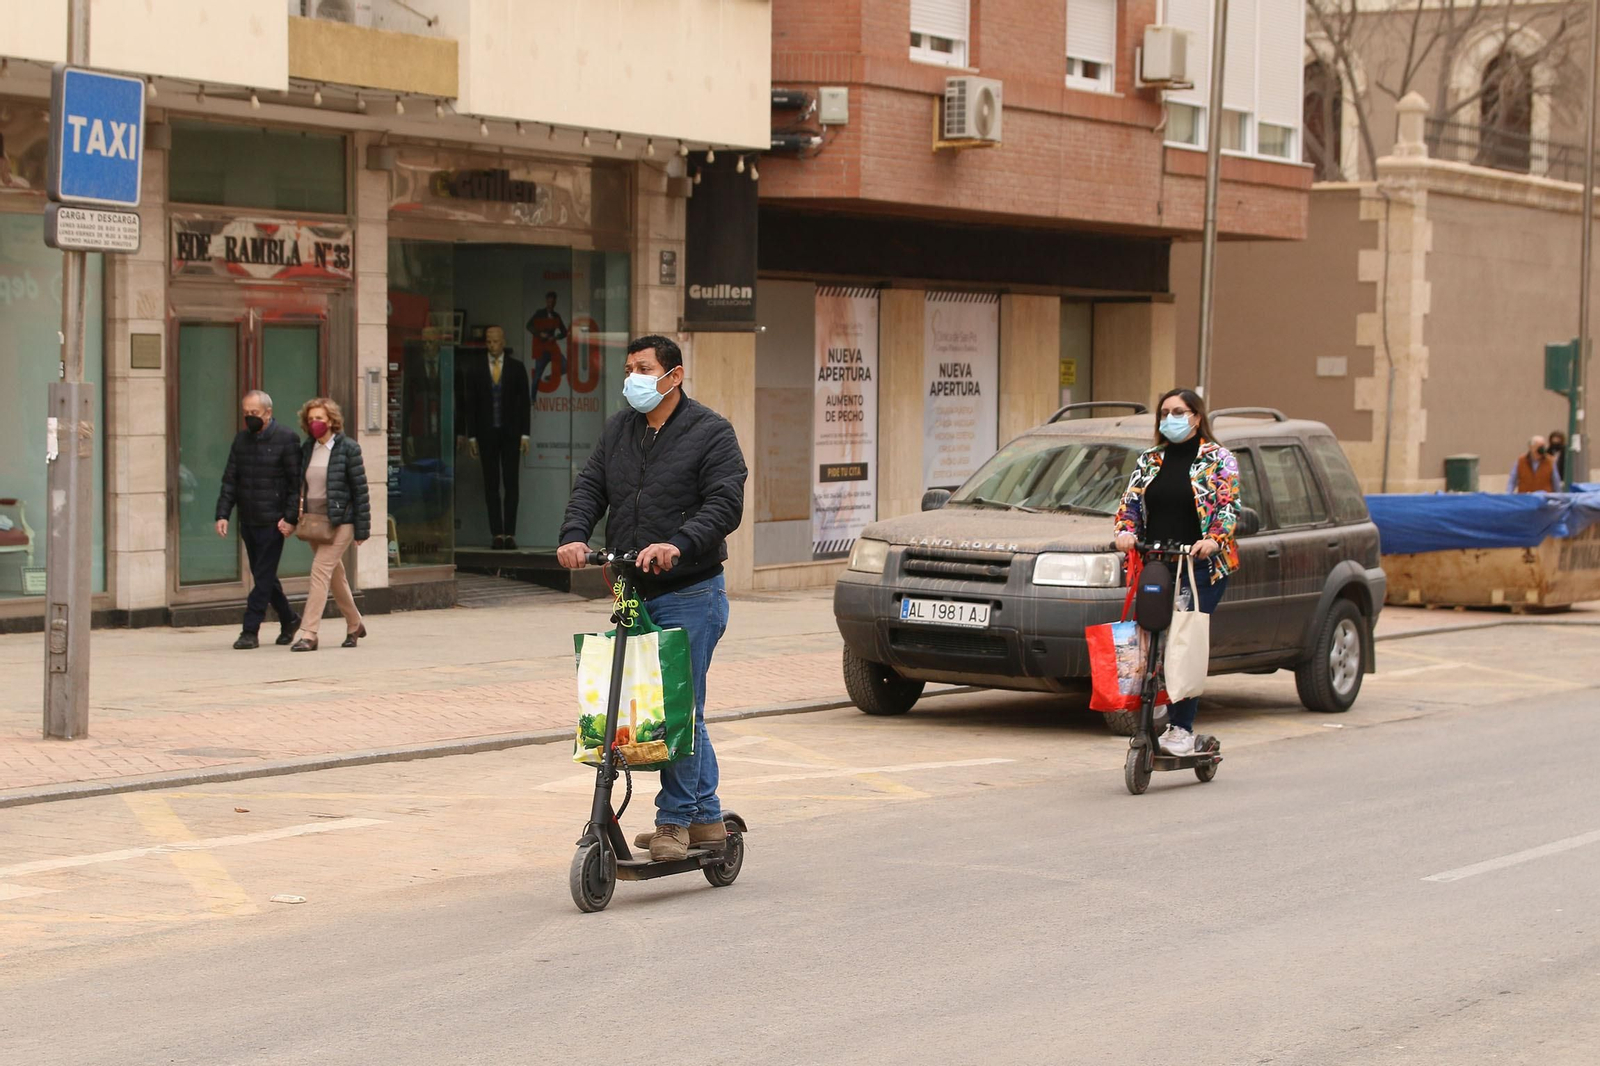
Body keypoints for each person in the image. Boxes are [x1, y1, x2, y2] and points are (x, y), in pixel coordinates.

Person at [557, 335, 747, 863]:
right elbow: (591, 486)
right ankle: (706, 817)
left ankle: (674, 820)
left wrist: (678, 544)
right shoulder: (621, 429)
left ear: (674, 375)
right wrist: (575, 534)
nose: (632, 378)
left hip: (691, 589)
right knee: (656, 707)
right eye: (628, 369)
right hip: (631, 588)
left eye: (643, 368)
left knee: (677, 708)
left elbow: (725, 504)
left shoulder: (711, 432)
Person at [1113, 388, 1242, 757]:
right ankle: (1147, 708)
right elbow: (1131, 503)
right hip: (1156, 562)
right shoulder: (1150, 460)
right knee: (1148, 638)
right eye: (1165, 412)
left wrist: (1215, 538)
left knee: (1183, 641)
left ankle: (1182, 727)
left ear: (1197, 417)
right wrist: (1125, 531)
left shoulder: (1219, 459)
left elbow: (1227, 506)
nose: (1171, 418)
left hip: (1199, 565)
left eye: (1179, 411)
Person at [214, 390, 301, 650]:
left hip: (274, 521)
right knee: (265, 575)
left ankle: (249, 630)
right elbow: (230, 479)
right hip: (249, 519)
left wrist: (290, 517)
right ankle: (289, 619)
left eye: (255, 413)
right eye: (246, 414)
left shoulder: (287, 439)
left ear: (268, 413)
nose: (250, 418)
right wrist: (223, 513)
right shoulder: (241, 440)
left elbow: (295, 485)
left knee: (262, 577)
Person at [290, 398, 370, 652]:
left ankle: (309, 632)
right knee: (335, 576)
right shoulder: (308, 449)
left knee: (320, 571)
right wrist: (292, 518)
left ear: (332, 421)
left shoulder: (348, 448)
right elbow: (299, 487)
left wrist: (362, 528)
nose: (315, 423)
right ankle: (355, 623)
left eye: (320, 419)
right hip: (315, 521)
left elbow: (360, 490)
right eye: (311, 419)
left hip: (341, 521)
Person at [461, 325, 531, 549]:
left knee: (511, 483)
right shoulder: (475, 369)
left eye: (496, 341)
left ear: (503, 341)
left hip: (511, 433)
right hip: (486, 433)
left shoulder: (517, 368)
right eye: (489, 341)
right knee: (490, 484)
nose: (492, 345)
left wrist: (525, 434)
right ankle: (496, 533)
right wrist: (472, 437)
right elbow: (469, 406)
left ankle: (509, 532)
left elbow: (524, 405)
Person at [526, 291, 568, 391]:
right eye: (549, 302)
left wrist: (556, 337)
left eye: (552, 302)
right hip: (540, 348)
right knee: (537, 375)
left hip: (551, 346)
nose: (550, 305)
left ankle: (551, 377)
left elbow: (564, 332)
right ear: (546, 301)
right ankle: (532, 398)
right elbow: (529, 326)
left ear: (555, 302)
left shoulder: (556, 316)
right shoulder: (539, 313)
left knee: (565, 365)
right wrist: (539, 334)